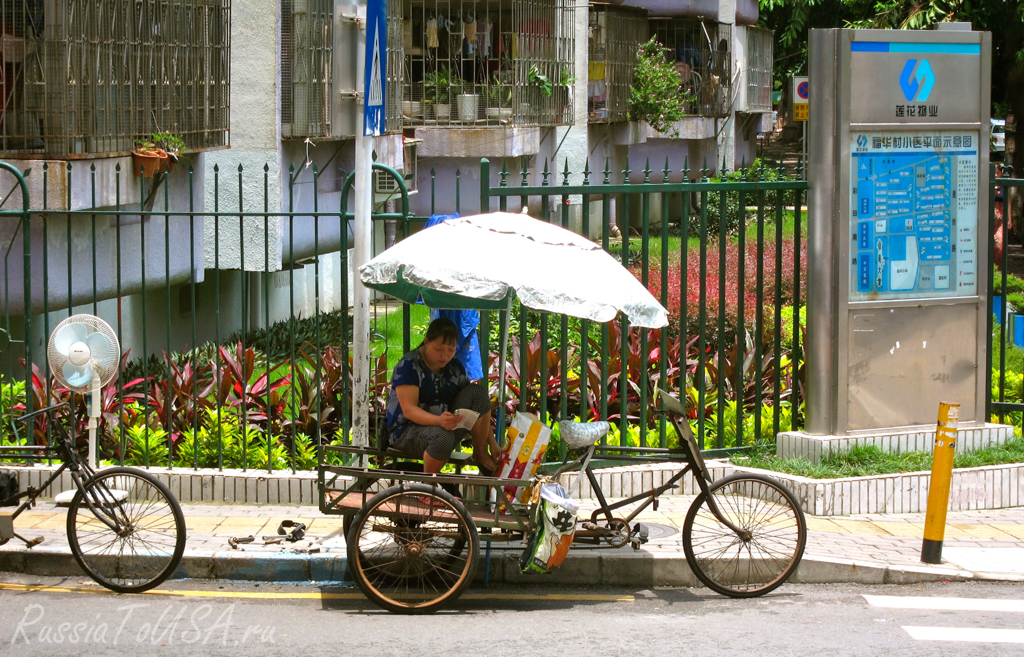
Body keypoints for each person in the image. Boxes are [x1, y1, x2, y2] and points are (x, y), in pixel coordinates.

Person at [385, 318, 498, 476]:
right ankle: (429, 487)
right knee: (442, 437)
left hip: (446, 426)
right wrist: (439, 421)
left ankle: (480, 454)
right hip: (406, 432)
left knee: (476, 391)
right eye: (439, 349)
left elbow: (477, 405)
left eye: (451, 350)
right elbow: (409, 410)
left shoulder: (455, 366)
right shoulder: (409, 365)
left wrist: (493, 444)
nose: (444, 355)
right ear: (426, 342)